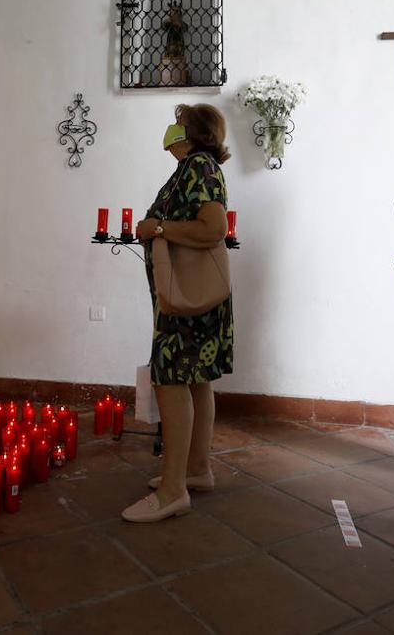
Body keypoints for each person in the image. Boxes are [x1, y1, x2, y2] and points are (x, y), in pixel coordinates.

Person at [122, 104, 234, 523]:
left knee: (170, 380)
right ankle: (195, 470)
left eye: (178, 122)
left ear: (192, 131)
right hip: (197, 297)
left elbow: (213, 228)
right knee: (197, 381)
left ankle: (172, 492)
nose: (171, 128)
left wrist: (159, 228)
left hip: (187, 301)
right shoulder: (197, 167)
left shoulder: (198, 168)